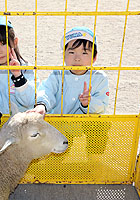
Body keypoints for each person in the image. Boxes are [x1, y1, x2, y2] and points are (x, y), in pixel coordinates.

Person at [30, 26, 110, 156]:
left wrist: (88, 103)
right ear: (64, 56)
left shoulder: (99, 78)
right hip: (60, 123)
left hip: (85, 122)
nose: (77, 58)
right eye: (72, 52)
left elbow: (102, 105)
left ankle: (94, 159)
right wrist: (41, 105)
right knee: (60, 153)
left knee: (101, 125)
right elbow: (47, 89)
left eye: (84, 53)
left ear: (94, 58)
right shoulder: (58, 74)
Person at [0, 15, 37, 149]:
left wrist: (18, 76)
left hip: (24, 124)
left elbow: (29, 101)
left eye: (4, 43)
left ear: (15, 42)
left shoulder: (26, 67)